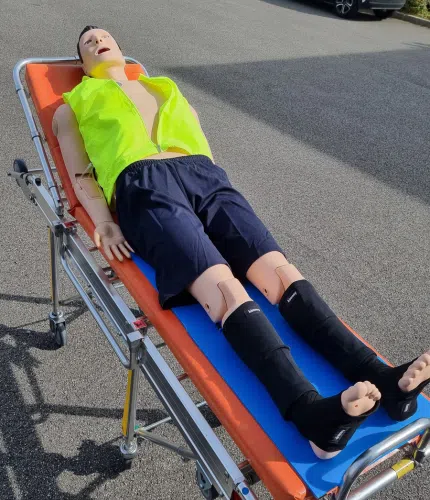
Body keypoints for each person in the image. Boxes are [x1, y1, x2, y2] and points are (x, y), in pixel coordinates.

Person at [53, 26, 430, 460]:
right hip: (143, 188)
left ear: (121, 49)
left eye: (105, 36)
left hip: (206, 176)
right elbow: (80, 174)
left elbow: (200, 142)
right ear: (82, 64)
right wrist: (104, 222)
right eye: (88, 42)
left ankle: (384, 379)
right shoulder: (73, 105)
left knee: (281, 274)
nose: (98, 41)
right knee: (224, 288)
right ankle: (311, 416)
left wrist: (215, 187)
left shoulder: (165, 87)